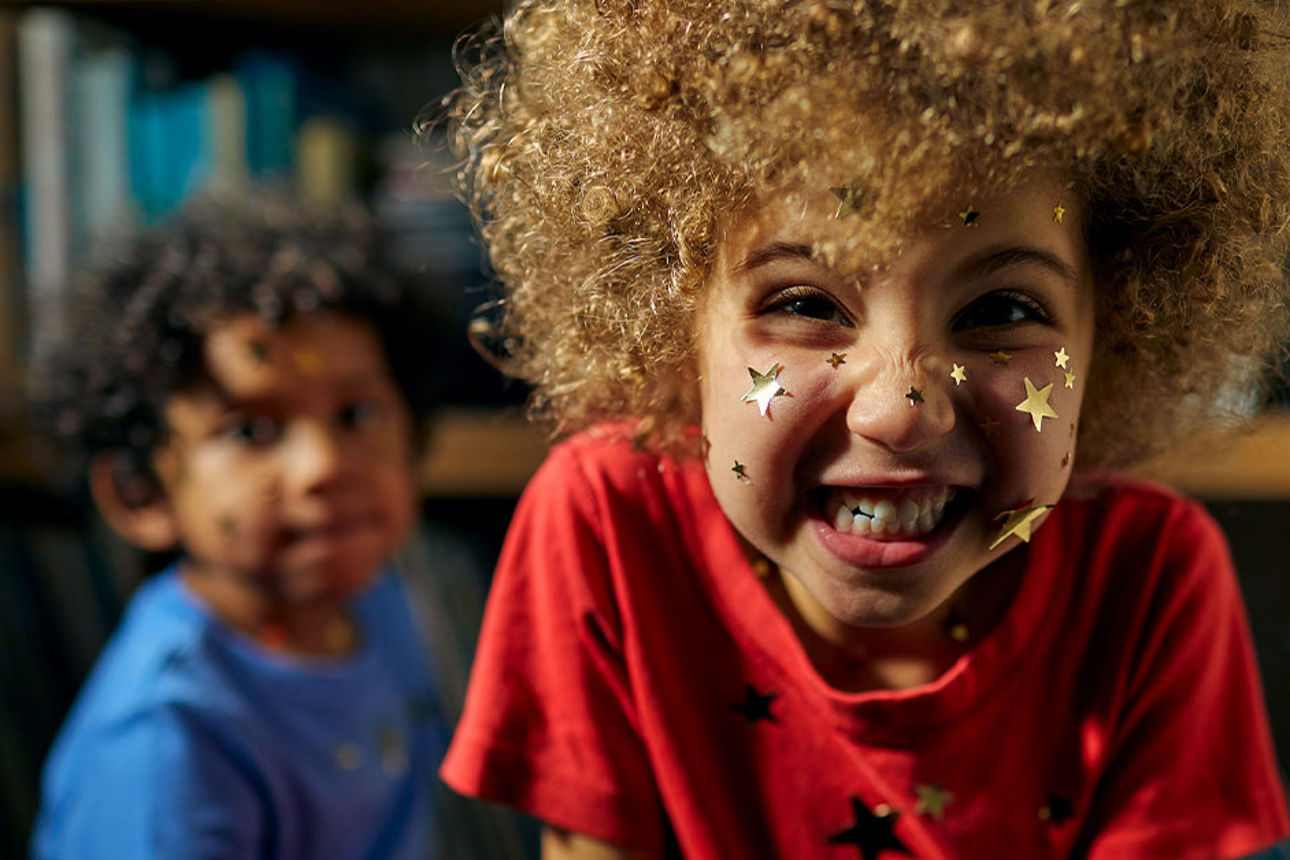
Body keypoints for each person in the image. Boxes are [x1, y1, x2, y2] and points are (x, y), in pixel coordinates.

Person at [435, 1, 1290, 857]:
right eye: (806, 304)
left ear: (1121, 331)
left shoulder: (1148, 581)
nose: (899, 412)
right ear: (671, 320)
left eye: (1000, 310)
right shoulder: (609, 525)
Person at [29, 194, 449, 859]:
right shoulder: (165, 738)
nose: (323, 466)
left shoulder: (382, 610)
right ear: (142, 493)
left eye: (358, 416)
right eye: (251, 431)